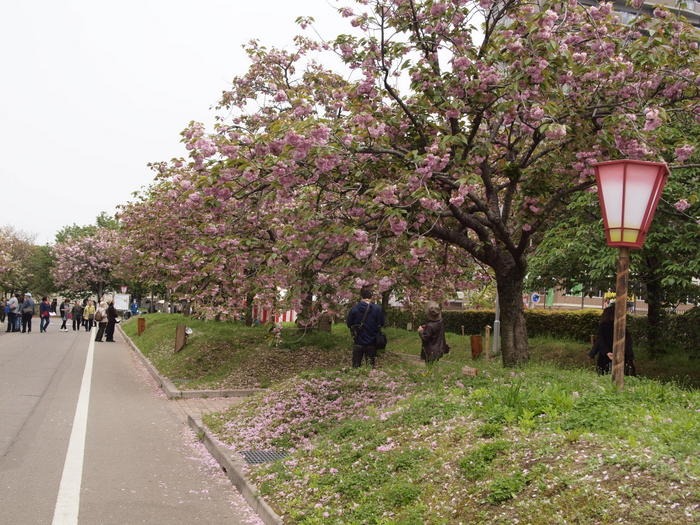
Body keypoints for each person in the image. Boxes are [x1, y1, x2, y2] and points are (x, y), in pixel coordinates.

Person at [589, 305, 636, 376]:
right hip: (621, 354)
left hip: (606, 355)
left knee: (603, 372)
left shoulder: (604, 326)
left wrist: (607, 352)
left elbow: (601, 341)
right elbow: (628, 342)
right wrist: (630, 356)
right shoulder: (622, 326)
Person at [346, 288, 385, 368]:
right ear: (371, 296)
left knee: (356, 366)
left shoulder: (354, 308)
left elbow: (349, 324)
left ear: (361, 296)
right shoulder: (377, 309)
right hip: (372, 341)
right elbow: (382, 323)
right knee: (371, 367)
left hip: (358, 341)